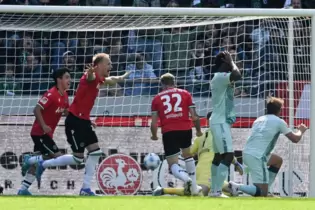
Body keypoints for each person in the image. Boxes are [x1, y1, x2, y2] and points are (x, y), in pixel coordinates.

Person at [35, 53, 131, 196]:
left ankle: (85, 188)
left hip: (83, 121)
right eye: (108, 63)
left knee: (95, 152)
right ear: (98, 65)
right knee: (78, 158)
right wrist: (91, 72)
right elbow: (91, 77)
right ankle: (42, 164)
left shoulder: (99, 79)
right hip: (75, 121)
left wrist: (122, 77)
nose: (111, 66)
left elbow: (111, 80)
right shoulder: (89, 76)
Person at [229, 97, 308, 197]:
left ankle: (267, 188)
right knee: (262, 193)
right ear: (280, 110)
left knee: (277, 161)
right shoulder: (279, 121)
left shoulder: (259, 120)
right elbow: (295, 139)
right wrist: (301, 130)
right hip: (258, 157)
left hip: (247, 153)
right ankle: (237, 186)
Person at [152, 112, 244, 196]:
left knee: (197, 192)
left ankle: (163, 190)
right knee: (200, 194)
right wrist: (236, 163)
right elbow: (227, 153)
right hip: (210, 168)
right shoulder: (221, 135)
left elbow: (188, 153)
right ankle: (230, 186)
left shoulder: (199, 137)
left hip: (199, 169)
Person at [18, 68, 71, 195]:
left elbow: (66, 112)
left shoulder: (65, 96)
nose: (70, 80)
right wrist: (43, 125)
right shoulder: (51, 94)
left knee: (37, 163)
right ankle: (29, 159)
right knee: (57, 156)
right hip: (40, 133)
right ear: (59, 79)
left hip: (46, 134)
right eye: (67, 77)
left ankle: (23, 190)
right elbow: (36, 110)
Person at [150, 73, 203, 195]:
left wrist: (154, 135)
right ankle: (194, 187)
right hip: (185, 129)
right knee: (188, 156)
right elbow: (194, 116)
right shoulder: (185, 94)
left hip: (169, 131)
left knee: (173, 164)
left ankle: (187, 179)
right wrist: (199, 130)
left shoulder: (157, 98)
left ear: (162, 84)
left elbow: (154, 123)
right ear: (174, 82)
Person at [209, 51, 242, 197]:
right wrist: (231, 62)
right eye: (230, 59)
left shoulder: (219, 78)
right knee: (228, 156)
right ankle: (216, 190)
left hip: (219, 121)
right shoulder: (220, 77)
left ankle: (213, 190)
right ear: (225, 62)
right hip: (220, 122)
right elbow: (237, 75)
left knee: (218, 157)